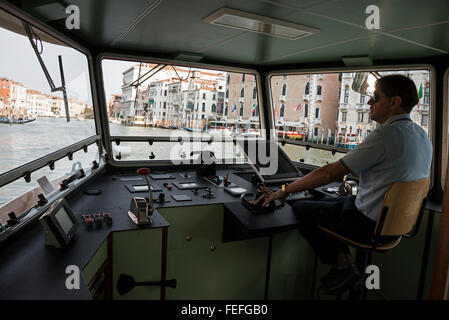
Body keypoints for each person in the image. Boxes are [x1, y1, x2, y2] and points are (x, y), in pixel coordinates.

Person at [258, 74, 433, 295]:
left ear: (394, 102)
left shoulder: (386, 134)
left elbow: (329, 172)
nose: (370, 102)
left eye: (376, 98)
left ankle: (343, 264)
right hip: (396, 228)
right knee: (324, 200)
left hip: (367, 225)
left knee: (301, 207)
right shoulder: (422, 136)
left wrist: (283, 191)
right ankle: (351, 269)